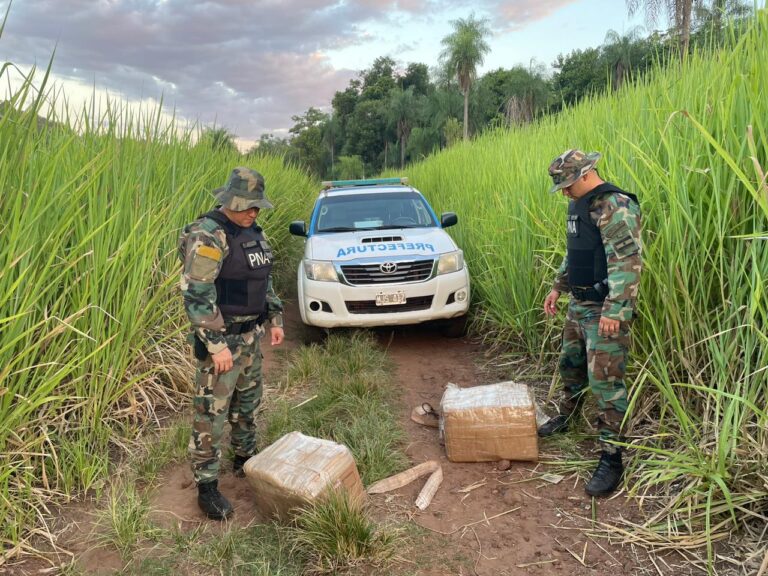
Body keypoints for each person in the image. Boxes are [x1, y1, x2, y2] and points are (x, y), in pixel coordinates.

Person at [178, 167, 284, 519]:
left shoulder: (253, 231)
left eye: (257, 206)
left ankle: (244, 458)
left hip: (251, 337)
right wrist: (215, 343)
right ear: (230, 201)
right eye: (248, 206)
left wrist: (274, 318)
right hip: (222, 342)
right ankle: (207, 485)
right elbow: (197, 292)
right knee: (211, 414)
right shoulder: (208, 235)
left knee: (247, 403)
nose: (254, 212)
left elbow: (263, 277)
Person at [540, 149, 642, 497]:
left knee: (605, 382)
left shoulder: (615, 205)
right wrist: (558, 287)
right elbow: (576, 252)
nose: (565, 193)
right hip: (578, 303)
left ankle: (612, 457)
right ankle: (568, 416)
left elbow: (627, 261)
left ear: (587, 174)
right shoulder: (579, 205)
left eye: (568, 185)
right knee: (570, 365)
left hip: (604, 309)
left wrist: (616, 309)